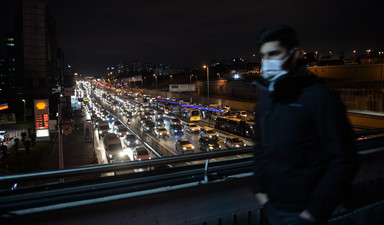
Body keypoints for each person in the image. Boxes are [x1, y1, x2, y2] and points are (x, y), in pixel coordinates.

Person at [252, 26, 358, 225]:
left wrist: (314, 211)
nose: (267, 62)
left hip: (304, 213)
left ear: (294, 54)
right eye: (264, 56)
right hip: (273, 207)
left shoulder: (320, 97)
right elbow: (260, 148)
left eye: (274, 53)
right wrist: (260, 190)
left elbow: (345, 158)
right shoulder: (266, 98)